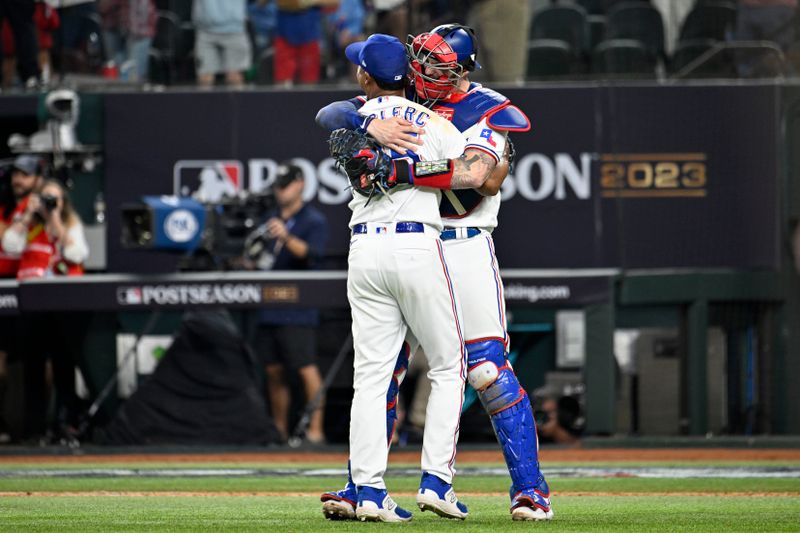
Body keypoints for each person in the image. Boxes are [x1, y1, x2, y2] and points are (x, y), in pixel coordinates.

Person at [316, 24, 554, 522]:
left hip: (460, 241)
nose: (425, 71)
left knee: (484, 369)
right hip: (411, 244)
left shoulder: (484, 106)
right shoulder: (398, 99)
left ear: (462, 71)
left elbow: (479, 177)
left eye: (437, 65)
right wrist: (364, 128)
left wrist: (392, 166)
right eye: (419, 59)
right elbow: (332, 112)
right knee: (383, 369)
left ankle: (530, 489)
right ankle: (364, 484)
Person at [329, 33, 473, 523]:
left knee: (370, 375)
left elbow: (327, 117)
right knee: (450, 365)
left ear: (367, 77)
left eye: (359, 67)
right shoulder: (433, 121)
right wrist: (419, 167)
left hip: (364, 246)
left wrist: (397, 165)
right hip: (416, 244)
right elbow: (469, 172)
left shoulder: (361, 114)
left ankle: (368, 490)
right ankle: (436, 482)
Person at [245, 162, 329, 444]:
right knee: (273, 370)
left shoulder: (312, 220)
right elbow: (257, 259)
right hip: (270, 304)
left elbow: (312, 254)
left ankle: (316, 430)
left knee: (306, 367)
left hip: (299, 305)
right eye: (278, 187)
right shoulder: (268, 219)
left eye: (286, 185)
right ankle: (279, 431)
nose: (281, 192)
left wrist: (286, 236)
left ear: (300, 184)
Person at [2, 177, 89, 441]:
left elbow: (77, 254)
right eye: (46, 198)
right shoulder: (28, 224)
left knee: (64, 366)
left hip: (63, 305)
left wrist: (56, 222)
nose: (50, 203)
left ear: (63, 202)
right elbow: (9, 246)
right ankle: (34, 429)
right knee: (33, 368)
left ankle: (66, 426)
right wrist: (29, 213)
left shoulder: (70, 224)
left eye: (55, 199)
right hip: (32, 304)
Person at [0, 155, 45, 443]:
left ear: (37, 179)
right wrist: (24, 217)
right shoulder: (7, 207)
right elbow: (10, 244)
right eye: (16, 175)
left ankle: (39, 429)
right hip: (5, 289)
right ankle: (4, 426)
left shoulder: (48, 205)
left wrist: (43, 212)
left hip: (36, 291)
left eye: (26, 175)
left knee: (40, 365)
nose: (19, 180)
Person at [273, 0, 339, 86]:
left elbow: (335, 2)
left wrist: (309, 1)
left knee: (309, 81)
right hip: (285, 34)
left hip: (309, 35)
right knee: (283, 80)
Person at [192, 0, 251, 87]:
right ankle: (204, 101)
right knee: (204, 78)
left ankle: (238, 101)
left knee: (234, 77)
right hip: (205, 31)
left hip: (235, 30)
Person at [98, 0, 157, 82]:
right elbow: (103, 7)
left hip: (139, 32)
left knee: (134, 76)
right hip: (118, 30)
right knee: (117, 74)